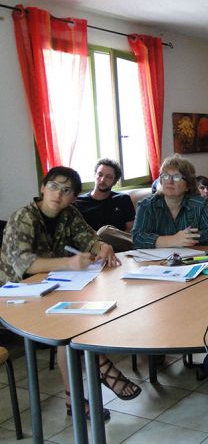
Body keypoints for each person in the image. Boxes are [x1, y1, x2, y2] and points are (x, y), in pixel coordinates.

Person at [0, 166, 140, 419]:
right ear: (43, 187)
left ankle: (73, 399)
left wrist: (102, 245)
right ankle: (99, 372)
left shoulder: (69, 213)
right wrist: (68, 263)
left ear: (72, 197)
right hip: (15, 294)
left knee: (75, 320)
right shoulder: (23, 217)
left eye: (66, 191)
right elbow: (25, 264)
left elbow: (86, 237)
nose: (58, 194)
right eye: (53, 186)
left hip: (53, 287)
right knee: (69, 324)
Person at [132, 154, 208, 248]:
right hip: (154, 262)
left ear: (188, 185)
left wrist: (187, 237)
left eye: (176, 177)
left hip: (191, 259)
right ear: (161, 181)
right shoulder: (147, 205)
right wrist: (173, 240)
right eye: (165, 176)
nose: (169, 181)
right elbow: (137, 238)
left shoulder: (199, 204)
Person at [75, 158, 135, 252]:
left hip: (121, 248)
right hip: (93, 249)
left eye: (108, 177)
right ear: (95, 175)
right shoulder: (78, 203)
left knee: (105, 232)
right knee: (103, 232)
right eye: (100, 175)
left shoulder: (123, 199)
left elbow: (131, 230)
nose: (102, 180)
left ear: (115, 181)